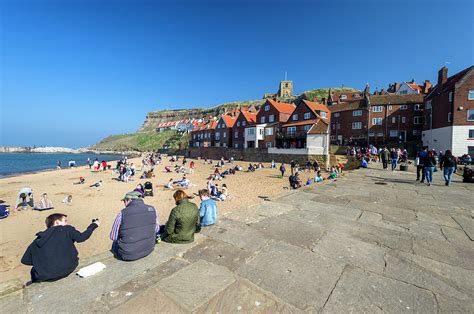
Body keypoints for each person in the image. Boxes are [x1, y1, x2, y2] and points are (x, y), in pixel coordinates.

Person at [21, 213, 99, 283]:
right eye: (65, 221)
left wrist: (42, 261)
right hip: (70, 267)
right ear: (57, 222)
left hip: (47, 276)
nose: (66, 223)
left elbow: (25, 260)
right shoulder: (66, 229)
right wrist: (94, 225)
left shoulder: (37, 240)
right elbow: (82, 237)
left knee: (34, 271)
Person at [110, 192, 159, 261]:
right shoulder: (153, 209)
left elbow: (113, 237)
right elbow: (156, 229)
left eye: (124, 201)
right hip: (149, 249)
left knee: (115, 243)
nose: (124, 203)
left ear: (129, 200)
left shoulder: (122, 213)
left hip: (128, 254)